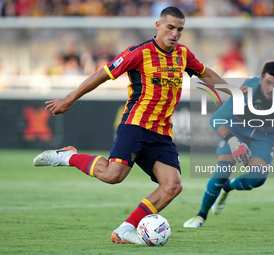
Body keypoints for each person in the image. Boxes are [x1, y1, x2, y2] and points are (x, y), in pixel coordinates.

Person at [33, 6, 236, 244]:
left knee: (172, 186)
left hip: (161, 132)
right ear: (158, 26)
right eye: (170, 27)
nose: (175, 34)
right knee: (112, 175)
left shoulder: (183, 54)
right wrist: (69, 99)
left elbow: (204, 72)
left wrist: (233, 93)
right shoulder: (138, 53)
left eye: (180, 29)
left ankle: (125, 229)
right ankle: (68, 157)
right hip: (136, 124)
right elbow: (102, 74)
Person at [183, 61, 274, 228]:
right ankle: (200, 216)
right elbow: (216, 119)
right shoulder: (248, 90)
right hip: (237, 130)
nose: (272, 88)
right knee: (222, 171)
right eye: (268, 82)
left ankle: (228, 187)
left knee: (257, 178)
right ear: (261, 79)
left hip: (264, 136)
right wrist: (232, 140)